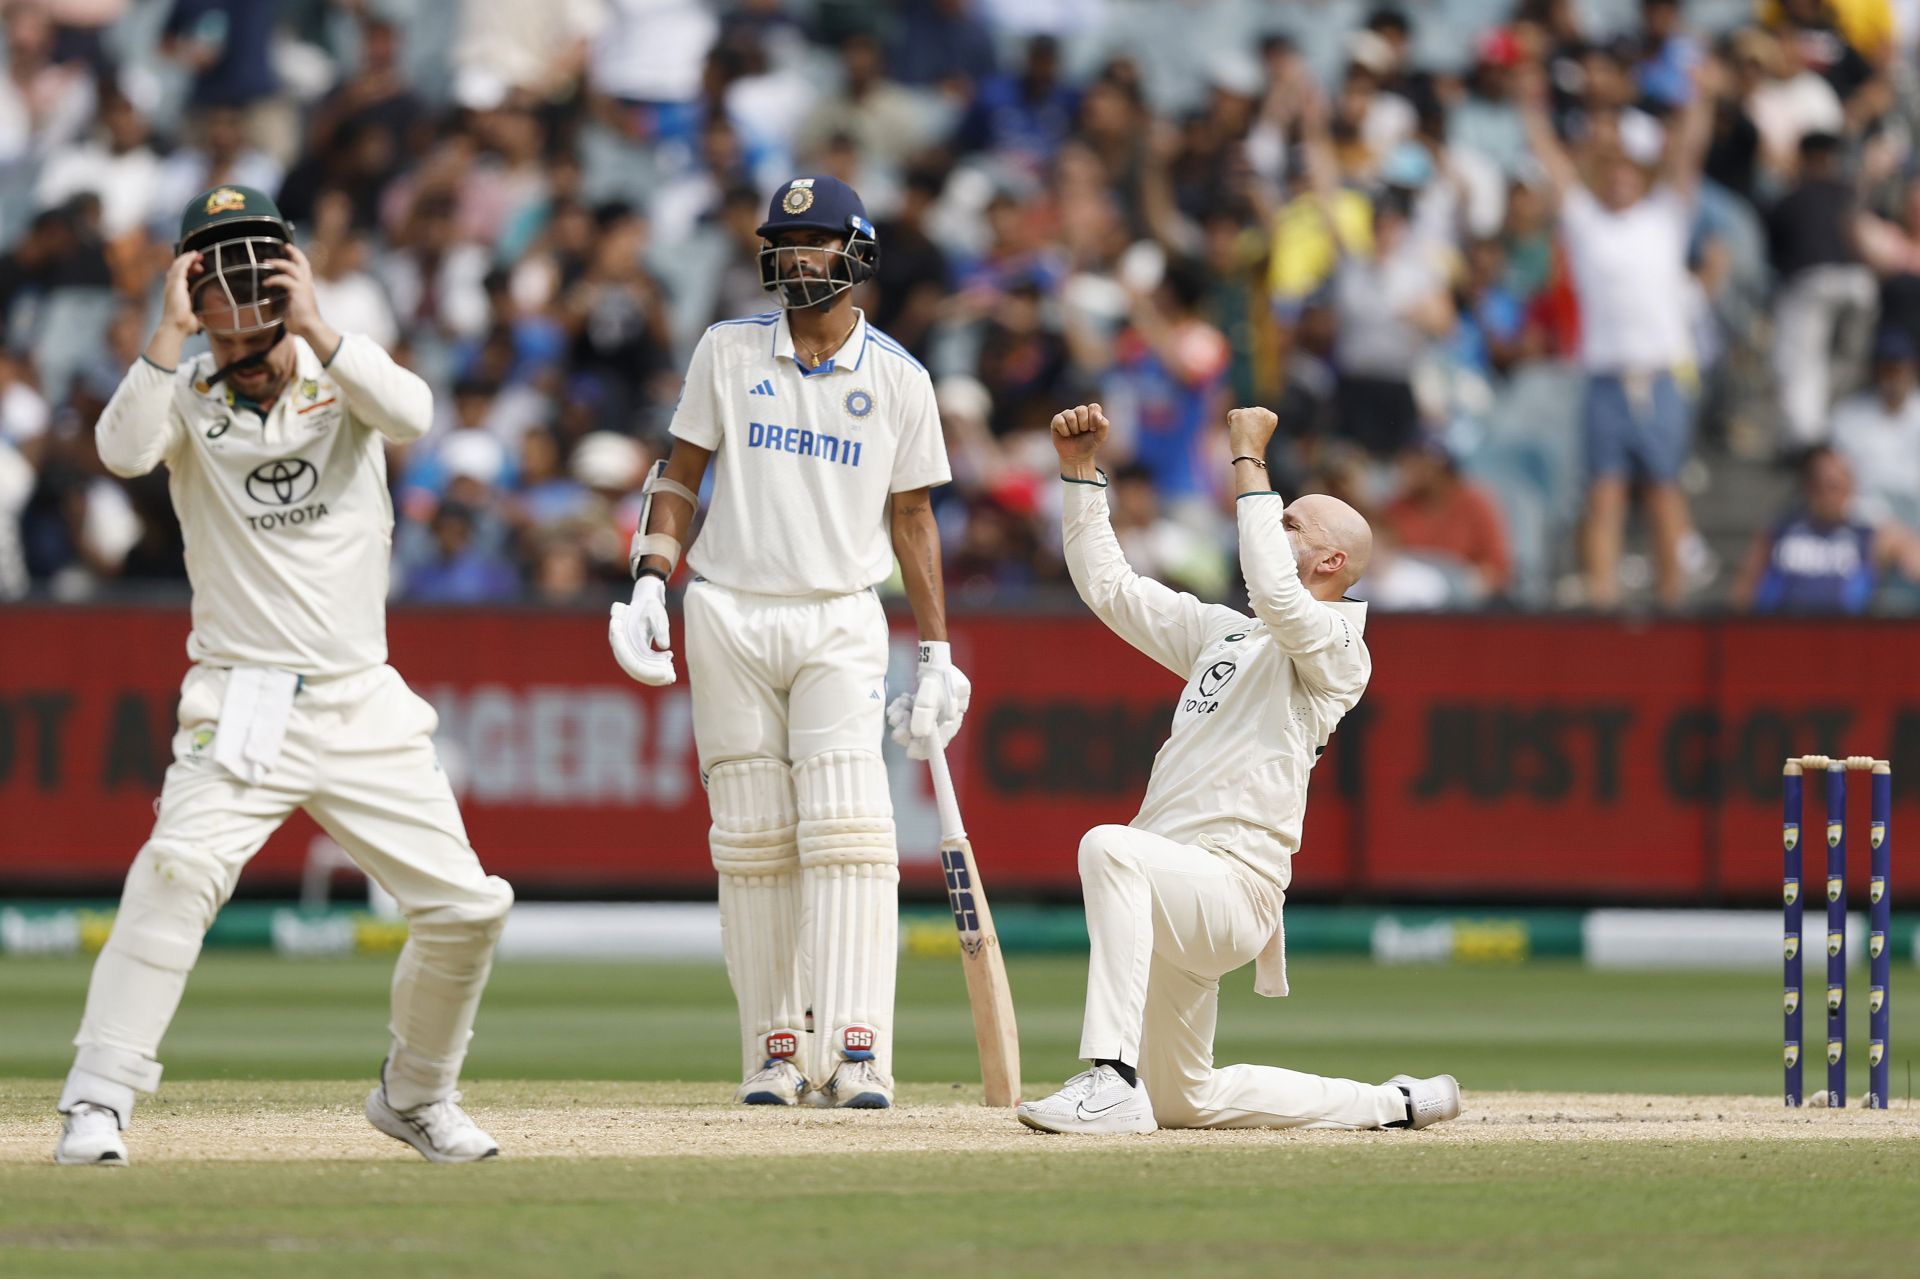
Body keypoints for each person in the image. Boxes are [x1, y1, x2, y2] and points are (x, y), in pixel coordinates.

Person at [53, 187, 513, 1166]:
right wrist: (166, 331)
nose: (236, 285)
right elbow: (119, 450)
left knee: (468, 908)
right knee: (175, 873)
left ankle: (418, 1095)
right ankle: (98, 1100)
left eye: (254, 262)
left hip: (360, 697)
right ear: (189, 281)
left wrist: (319, 324)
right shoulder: (177, 390)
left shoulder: (340, 369)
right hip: (245, 698)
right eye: (211, 268)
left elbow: (414, 411)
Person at [607, 175, 960, 1109]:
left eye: (815, 241)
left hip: (840, 613)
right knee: (753, 842)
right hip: (726, 609)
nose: (796, 256)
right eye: (784, 240)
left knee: (849, 832)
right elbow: (679, 474)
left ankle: (857, 1050)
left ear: (857, 255)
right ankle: (775, 1047)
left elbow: (914, 518)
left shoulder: (899, 377)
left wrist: (936, 652)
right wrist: (650, 577)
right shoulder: (726, 351)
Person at [1016, 401, 1461, 1135]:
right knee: (1185, 1100)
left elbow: (1278, 596)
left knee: (1107, 845)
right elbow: (1112, 590)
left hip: (1231, 888)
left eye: (1292, 523)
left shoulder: (1338, 649)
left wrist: (1250, 460)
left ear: (1331, 563)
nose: (1271, 522)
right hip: (1174, 889)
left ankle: (1110, 1075)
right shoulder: (1229, 634)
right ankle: (1396, 1102)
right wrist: (1080, 477)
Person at [1519, 55, 1717, 610]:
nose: (1622, 180)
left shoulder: (1664, 217)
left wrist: (1700, 99)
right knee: (1604, 494)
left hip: (1659, 374)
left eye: (1632, 173)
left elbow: (1686, 156)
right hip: (1606, 375)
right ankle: (1603, 599)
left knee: (1663, 491)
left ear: (1642, 178)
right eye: (1614, 173)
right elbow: (1554, 165)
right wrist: (1531, 108)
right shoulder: (1586, 222)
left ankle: (1673, 600)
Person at [1731, 445, 1920, 613]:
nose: (1827, 494)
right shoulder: (1779, 531)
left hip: (1845, 639)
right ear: (1807, 486)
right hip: (1781, 634)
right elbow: (1744, 590)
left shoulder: (1869, 535)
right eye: (1819, 484)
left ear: (1850, 486)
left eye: (1835, 485)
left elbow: (1911, 555)